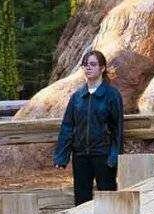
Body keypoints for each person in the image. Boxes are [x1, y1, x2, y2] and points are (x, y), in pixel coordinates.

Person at [53, 48, 124, 205]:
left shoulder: (112, 95)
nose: (88, 67)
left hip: (103, 156)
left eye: (93, 64)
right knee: (81, 200)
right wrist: (61, 156)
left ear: (102, 68)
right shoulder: (77, 97)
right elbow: (67, 127)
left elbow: (117, 129)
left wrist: (114, 156)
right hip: (80, 156)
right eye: (85, 64)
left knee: (107, 200)